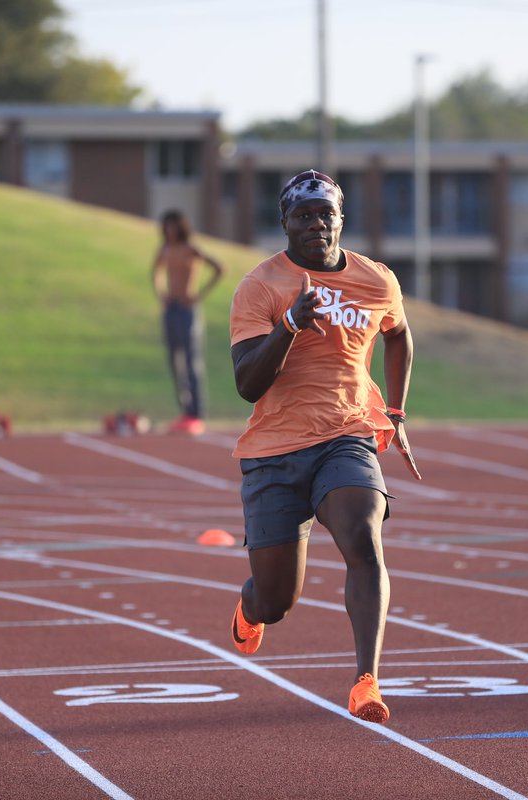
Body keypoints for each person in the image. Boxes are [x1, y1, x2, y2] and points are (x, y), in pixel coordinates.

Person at [227, 170, 421, 724]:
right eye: (303, 215)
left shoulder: (376, 280)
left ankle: (367, 680)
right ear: (285, 223)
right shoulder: (261, 286)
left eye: (325, 214)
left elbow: (399, 334)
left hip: (347, 435)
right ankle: (251, 603)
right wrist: (288, 324)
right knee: (277, 601)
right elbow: (247, 385)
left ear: (341, 219)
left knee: (363, 538)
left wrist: (397, 412)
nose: (316, 224)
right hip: (275, 449)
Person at [151, 210, 224, 435]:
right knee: (175, 360)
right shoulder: (164, 249)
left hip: (187, 309)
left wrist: (199, 295)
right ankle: (185, 410)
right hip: (170, 308)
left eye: (173, 226)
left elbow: (219, 269)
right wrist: (160, 293)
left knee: (192, 361)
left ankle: (197, 413)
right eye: (166, 226)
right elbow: (155, 272)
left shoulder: (191, 248)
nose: (169, 230)